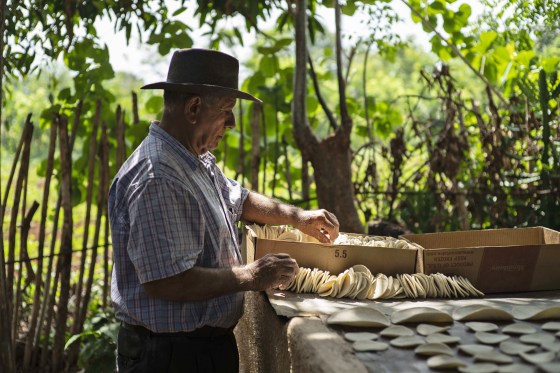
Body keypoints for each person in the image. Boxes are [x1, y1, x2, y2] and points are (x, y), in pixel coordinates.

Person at [108, 48, 339, 373]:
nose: (231, 123)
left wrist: (298, 217)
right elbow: (167, 281)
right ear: (193, 108)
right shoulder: (158, 176)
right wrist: (252, 275)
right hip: (168, 357)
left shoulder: (192, 159)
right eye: (226, 111)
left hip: (198, 349)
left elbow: (238, 198)